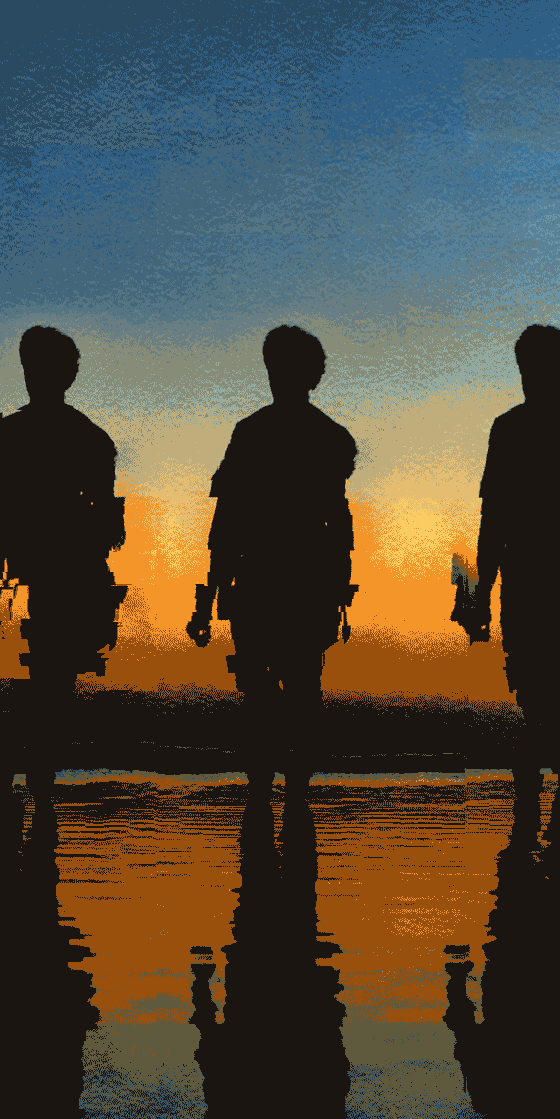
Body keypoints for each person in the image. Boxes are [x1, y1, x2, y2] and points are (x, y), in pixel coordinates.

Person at [0, 326, 127, 792]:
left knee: (19, 692)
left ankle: (15, 794)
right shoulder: (91, 440)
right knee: (47, 691)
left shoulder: (7, 434)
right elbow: (110, 529)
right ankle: (33, 791)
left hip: (17, 581)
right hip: (51, 582)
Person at [187, 325, 359, 791]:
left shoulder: (253, 434)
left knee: (269, 698)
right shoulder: (329, 438)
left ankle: (269, 803)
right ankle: (286, 802)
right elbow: (336, 524)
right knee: (295, 694)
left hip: (268, 586)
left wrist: (208, 599)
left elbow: (227, 524)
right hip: (296, 587)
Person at [463, 324, 560, 788]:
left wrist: (483, 588)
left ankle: (545, 783)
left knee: (535, 687)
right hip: (555, 575)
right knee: (544, 685)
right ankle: (556, 783)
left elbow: (496, 514)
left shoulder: (512, 430)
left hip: (533, 575)